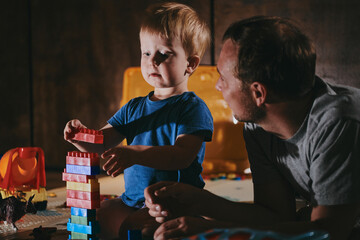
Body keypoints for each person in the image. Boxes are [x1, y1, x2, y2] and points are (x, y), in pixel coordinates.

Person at [144, 16, 360, 240]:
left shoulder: (339, 124)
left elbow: (329, 233)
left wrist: (218, 232)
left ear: (258, 93)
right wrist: (199, 201)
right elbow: (274, 215)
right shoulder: (258, 126)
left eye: (223, 78)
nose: (217, 87)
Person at [63, 2, 213, 239]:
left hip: (174, 202)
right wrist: (80, 136)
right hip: (132, 199)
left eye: (163, 53)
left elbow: (181, 156)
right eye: (146, 52)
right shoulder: (134, 107)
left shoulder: (192, 108)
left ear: (190, 64)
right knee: (95, 217)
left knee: (147, 231)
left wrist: (135, 154)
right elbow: (102, 142)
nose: (152, 60)